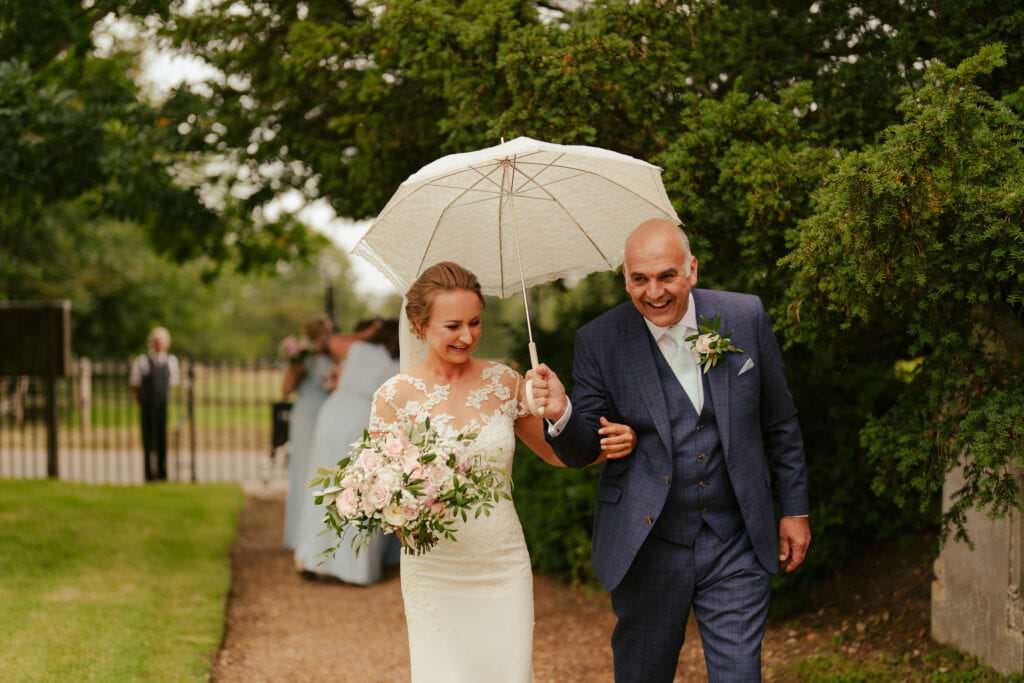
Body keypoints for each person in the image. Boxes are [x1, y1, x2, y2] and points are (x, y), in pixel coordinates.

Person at [527, 218, 812, 682]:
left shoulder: (744, 317)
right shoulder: (599, 340)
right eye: (639, 279)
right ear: (625, 279)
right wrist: (561, 411)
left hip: (736, 537)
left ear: (691, 270)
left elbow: (779, 421)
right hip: (648, 544)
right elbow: (582, 450)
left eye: (666, 276)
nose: (654, 292)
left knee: (740, 674)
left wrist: (794, 509)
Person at [368, 262, 637, 682]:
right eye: (453, 326)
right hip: (435, 566)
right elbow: (381, 488)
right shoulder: (393, 397)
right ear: (420, 325)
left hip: (501, 562)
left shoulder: (505, 383)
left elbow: (556, 454)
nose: (467, 336)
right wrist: (405, 517)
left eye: (475, 322)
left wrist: (608, 444)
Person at [294, 318, 402, 583]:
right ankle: (354, 568)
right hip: (365, 417)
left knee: (324, 484)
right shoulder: (400, 363)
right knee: (361, 488)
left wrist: (365, 333)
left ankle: (311, 557)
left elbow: (331, 341)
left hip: (334, 412)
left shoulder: (358, 349)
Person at [281, 317, 335, 550]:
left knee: (324, 470)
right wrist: (296, 367)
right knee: (303, 470)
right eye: (326, 332)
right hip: (305, 416)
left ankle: (320, 534)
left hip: (328, 414)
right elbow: (285, 391)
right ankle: (299, 535)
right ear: (316, 334)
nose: (330, 337)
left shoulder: (334, 358)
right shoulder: (303, 358)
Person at [129, 326, 180, 482]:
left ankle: (162, 473)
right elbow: (135, 384)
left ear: (167, 344)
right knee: (147, 439)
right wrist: (140, 401)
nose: (158, 345)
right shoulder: (142, 360)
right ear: (151, 343)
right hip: (147, 405)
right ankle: (149, 474)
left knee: (162, 439)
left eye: (161, 342)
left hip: (163, 405)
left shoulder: (172, 361)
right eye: (155, 341)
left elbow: (173, 383)